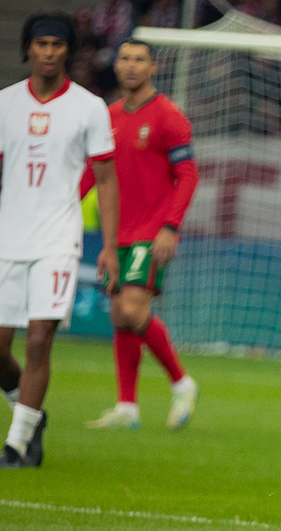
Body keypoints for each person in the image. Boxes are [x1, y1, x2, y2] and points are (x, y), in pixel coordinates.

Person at [0, 11, 119, 469]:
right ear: (27, 49)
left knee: (38, 341)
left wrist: (109, 245)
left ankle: (15, 447)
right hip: (8, 237)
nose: (49, 53)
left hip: (58, 239)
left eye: (57, 45)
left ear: (68, 51)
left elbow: (107, 180)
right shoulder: (1, 103)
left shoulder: (90, 107)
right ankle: (31, 416)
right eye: (41, 45)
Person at [83, 40, 201, 431]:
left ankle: (183, 383)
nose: (131, 66)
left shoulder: (168, 116)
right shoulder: (108, 116)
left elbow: (187, 175)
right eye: (125, 59)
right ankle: (127, 407)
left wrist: (170, 227)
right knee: (120, 315)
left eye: (139, 60)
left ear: (153, 67)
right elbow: (93, 173)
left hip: (151, 232)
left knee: (132, 309)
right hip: (116, 232)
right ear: (116, 66)